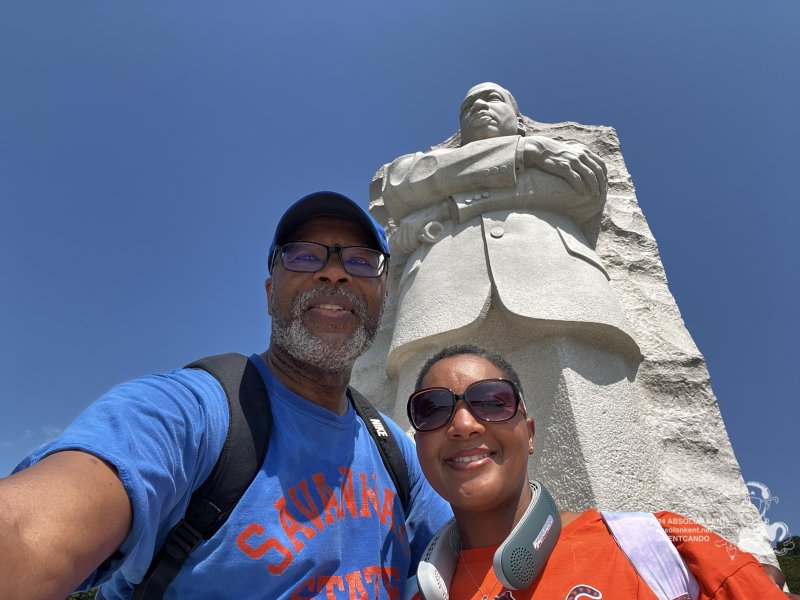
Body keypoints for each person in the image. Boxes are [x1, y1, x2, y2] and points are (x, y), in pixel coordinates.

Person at [0, 191, 452, 599]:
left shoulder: (395, 452)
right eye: (304, 256)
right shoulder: (189, 413)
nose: (334, 272)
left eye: (359, 261)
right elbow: (24, 532)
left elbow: (465, 557)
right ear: (270, 292)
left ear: (381, 298)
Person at [405, 344, 794, 599]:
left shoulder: (664, 544)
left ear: (530, 433)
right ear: (418, 444)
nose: (463, 424)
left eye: (492, 401)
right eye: (431, 409)